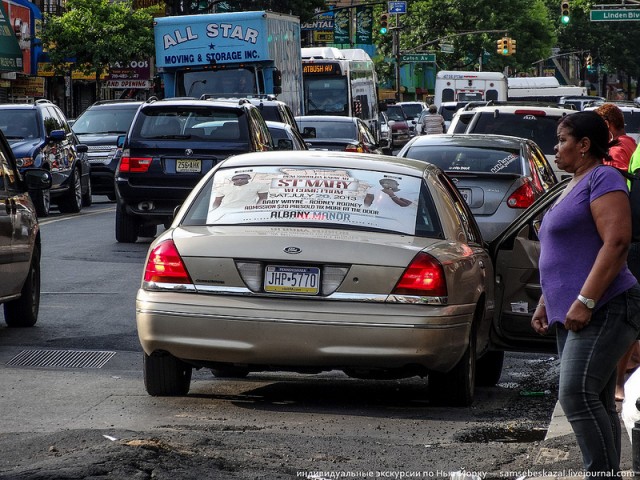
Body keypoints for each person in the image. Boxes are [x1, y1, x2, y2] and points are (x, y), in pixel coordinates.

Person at [531, 111, 640, 475]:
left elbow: (617, 241)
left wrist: (585, 300)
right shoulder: (573, 183)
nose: (556, 148)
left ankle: (601, 475)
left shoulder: (604, 177)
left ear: (584, 145)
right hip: (574, 311)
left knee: (576, 395)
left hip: (604, 306)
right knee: (598, 401)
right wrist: (547, 300)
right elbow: (568, 250)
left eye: (562, 140)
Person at [596, 103, 640, 401]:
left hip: (628, 236)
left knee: (629, 314)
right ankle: (620, 380)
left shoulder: (621, 148)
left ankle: (620, 380)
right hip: (633, 237)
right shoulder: (633, 149)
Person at [596, 103, 637, 170]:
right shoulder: (630, 142)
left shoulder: (614, 151)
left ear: (606, 124)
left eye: (598, 126)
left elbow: (615, 179)